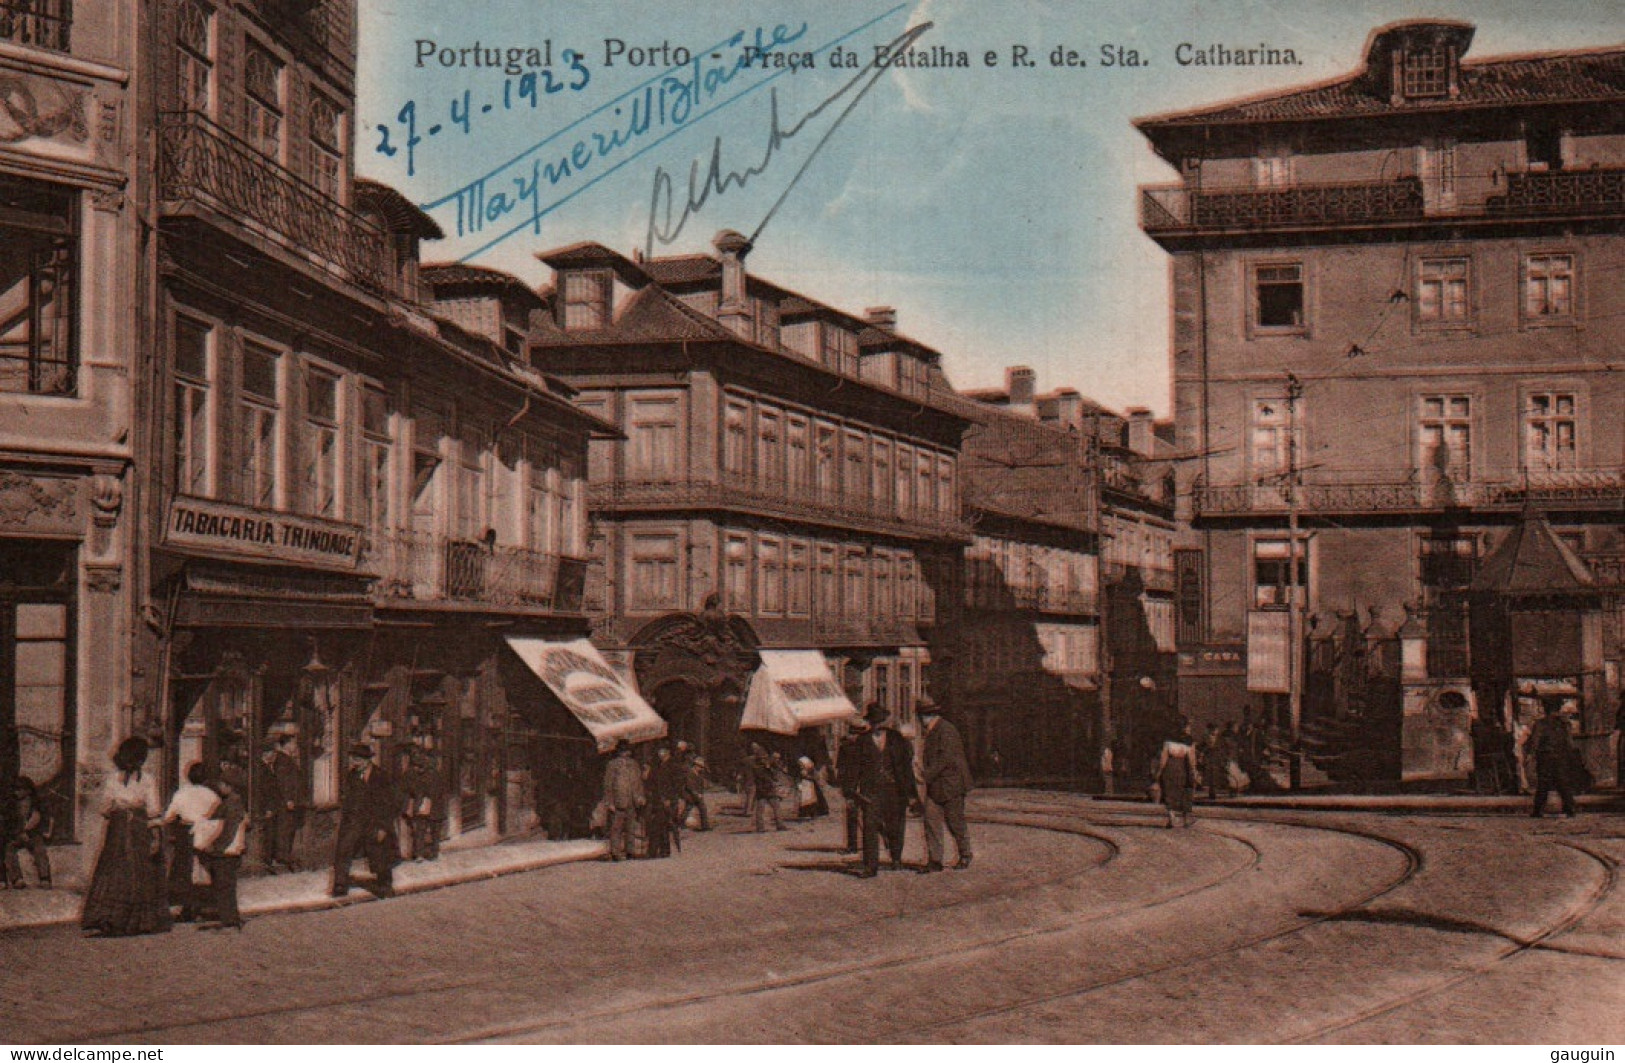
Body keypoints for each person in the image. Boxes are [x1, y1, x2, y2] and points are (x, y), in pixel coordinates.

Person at [80, 736, 171, 937]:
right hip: (128, 830)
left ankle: (124, 920)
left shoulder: (133, 779)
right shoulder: (130, 779)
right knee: (127, 871)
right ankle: (123, 920)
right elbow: (107, 808)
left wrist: (154, 837)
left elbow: (150, 811)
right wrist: (122, 808)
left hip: (129, 829)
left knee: (127, 871)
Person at [851, 702, 915, 876]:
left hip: (894, 789)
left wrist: (911, 793)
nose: (877, 726)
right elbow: (855, 766)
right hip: (870, 791)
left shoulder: (897, 739)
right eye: (874, 722)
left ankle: (896, 858)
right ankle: (870, 866)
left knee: (895, 825)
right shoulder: (862, 740)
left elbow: (905, 767)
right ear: (870, 723)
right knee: (870, 826)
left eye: (880, 722)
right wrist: (852, 789)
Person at [331, 743, 401, 897]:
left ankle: (385, 885)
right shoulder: (352, 775)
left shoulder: (382, 777)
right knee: (343, 850)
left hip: (375, 822)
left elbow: (391, 804)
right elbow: (348, 799)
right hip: (354, 822)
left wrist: (383, 827)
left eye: (359, 760)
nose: (356, 763)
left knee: (379, 853)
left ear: (368, 760)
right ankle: (340, 885)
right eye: (354, 760)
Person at [918, 697, 974, 873]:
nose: (921, 721)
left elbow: (945, 758)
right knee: (931, 820)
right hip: (937, 785)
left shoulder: (946, 730)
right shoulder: (933, 730)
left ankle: (965, 854)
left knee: (955, 821)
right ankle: (935, 860)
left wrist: (926, 774)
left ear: (928, 716)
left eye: (922, 717)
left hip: (952, 784)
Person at [161, 762, 218, 921]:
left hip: (186, 834)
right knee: (204, 868)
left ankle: (186, 907)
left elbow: (169, 816)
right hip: (206, 833)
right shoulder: (211, 795)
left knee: (185, 869)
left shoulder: (181, 794)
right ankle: (203, 906)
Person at [198, 763, 248, 930]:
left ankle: (229, 918)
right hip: (228, 850)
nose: (219, 786)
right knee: (225, 883)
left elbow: (230, 829)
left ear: (230, 786)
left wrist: (216, 846)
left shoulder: (232, 803)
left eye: (222, 784)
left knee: (225, 884)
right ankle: (229, 916)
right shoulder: (231, 802)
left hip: (227, 851)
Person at [1526, 700, 1578, 819]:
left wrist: (1531, 755)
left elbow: (1535, 741)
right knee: (1563, 783)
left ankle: (1538, 810)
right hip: (1561, 756)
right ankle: (1570, 809)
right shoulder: (1565, 724)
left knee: (1543, 783)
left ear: (1545, 709)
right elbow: (1570, 743)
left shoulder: (1540, 724)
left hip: (1545, 757)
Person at [262, 732, 304, 872]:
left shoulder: (286, 759)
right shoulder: (282, 760)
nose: (295, 746)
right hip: (285, 803)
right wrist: (288, 799)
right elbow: (283, 781)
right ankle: (282, 857)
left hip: (289, 801)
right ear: (286, 744)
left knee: (287, 829)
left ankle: (284, 857)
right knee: (284, 830)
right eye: (293, 743)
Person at [5, 776, 53, 890]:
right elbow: (9, 822)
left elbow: (37, 819)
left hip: (32, 834)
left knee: (39, 849)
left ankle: (44, 878)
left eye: (19, 789)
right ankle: (16, 879)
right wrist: (18, 832)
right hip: (17, 835)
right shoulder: (11, 805)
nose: (16, 792)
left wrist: (28, 832)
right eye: (15, 789)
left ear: (28, 790)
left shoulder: (36, 803)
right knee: (9, 850)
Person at [602, 741, 644, 861]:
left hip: (633, 799)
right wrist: (609, 802)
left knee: (631, 827)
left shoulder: (634, 764)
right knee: (616, 828)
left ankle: (630, 851)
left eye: (627, 751)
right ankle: (615, 852)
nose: (626, 754)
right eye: (624, 751)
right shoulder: (612, 765)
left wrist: (641, 796)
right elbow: (608, 785)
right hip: (618, 800)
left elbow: (639, 782)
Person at [401, 747, 443, 861]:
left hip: (431, 806)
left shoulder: (432, 775)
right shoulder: (416, 774)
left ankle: (430, 853)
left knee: (429, 830)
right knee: (423, 830)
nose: (418, 769)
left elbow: (434, 791)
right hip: (424, 806)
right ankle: (423, 853)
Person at [835, 721, 868, 853]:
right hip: (857, 786)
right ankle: (855, 845)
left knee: (854, 816)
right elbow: (841, 768)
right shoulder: (863, 747)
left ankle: (854, 846)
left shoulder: (847, 746)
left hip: (854, 785)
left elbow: (840, 768)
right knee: (855, 816)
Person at [1155, 727, 1199, 829]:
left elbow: (1163, 758)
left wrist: (1159, 772)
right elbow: (1192, 760)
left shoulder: (1168, 741)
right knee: (1185, 791)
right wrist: (1194, 772)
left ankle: (1172, 818)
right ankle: (1186, 818)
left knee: (1169, 792)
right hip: (1183, 768)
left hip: (1169, 768)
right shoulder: (1189, 741)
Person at [647, 746, 683, 858]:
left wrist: (670, 799)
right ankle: (664, 850)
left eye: (663, 751)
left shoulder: (674, 766)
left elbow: (677, 785)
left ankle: (654, 851)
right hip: (657, 799)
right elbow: (652, 782)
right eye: (659, 751)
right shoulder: (657, 766)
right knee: (661, 826)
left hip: (668, 800)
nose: (660, 753)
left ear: (668, 752)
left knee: (659, 825)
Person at [675, 740, 710, 832]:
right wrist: (697, 794)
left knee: (691, 808)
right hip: (690, 794)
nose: (701, 769)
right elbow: (690, 786)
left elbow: (699, 784)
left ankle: (680, 823)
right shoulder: (689, 770)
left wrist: (700, 792)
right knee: (697, 808)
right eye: (700, 767)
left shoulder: (696, 771)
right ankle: (704, 826)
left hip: (694, 793)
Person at [752, 750, 787, 833]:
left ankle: (778, 825)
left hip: (765, 790)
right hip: (765, 790)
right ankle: (765, 827)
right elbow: (766, 778)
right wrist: (768, 769)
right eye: (763, 759)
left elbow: (775, 776)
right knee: (764, 809)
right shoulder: (758, 768)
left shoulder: (763, 767)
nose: (764, 760)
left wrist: (770, 768)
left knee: (772, 808)